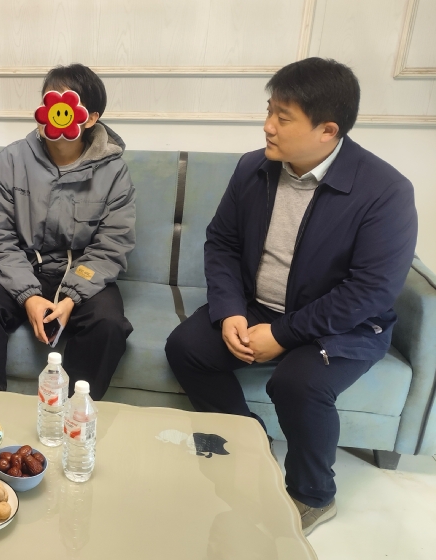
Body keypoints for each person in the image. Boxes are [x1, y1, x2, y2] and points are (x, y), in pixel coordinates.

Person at [165, 57, 417, 535]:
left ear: (327, 130)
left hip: (343, 326)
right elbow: (222, 243)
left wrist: (282, 334)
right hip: (257, 306)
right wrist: (229, 311)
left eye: (283, 118)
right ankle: (249, 445)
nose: (268, 126)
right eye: (269, 111)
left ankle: (313, 495)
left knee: (298, 384)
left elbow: (369, 291)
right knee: (186, 347)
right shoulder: (253, 169)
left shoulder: (385, 192)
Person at [0, 64, 135, 399]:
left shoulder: (114, 171)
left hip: (84, 271)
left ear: (91, 118)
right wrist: (28, 295)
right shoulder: (10, 161)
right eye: (49, 102)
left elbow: (112, 245)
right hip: (23, 267)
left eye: (67, 105)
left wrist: (71, 297)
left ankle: (76, 413)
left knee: (109, 324)